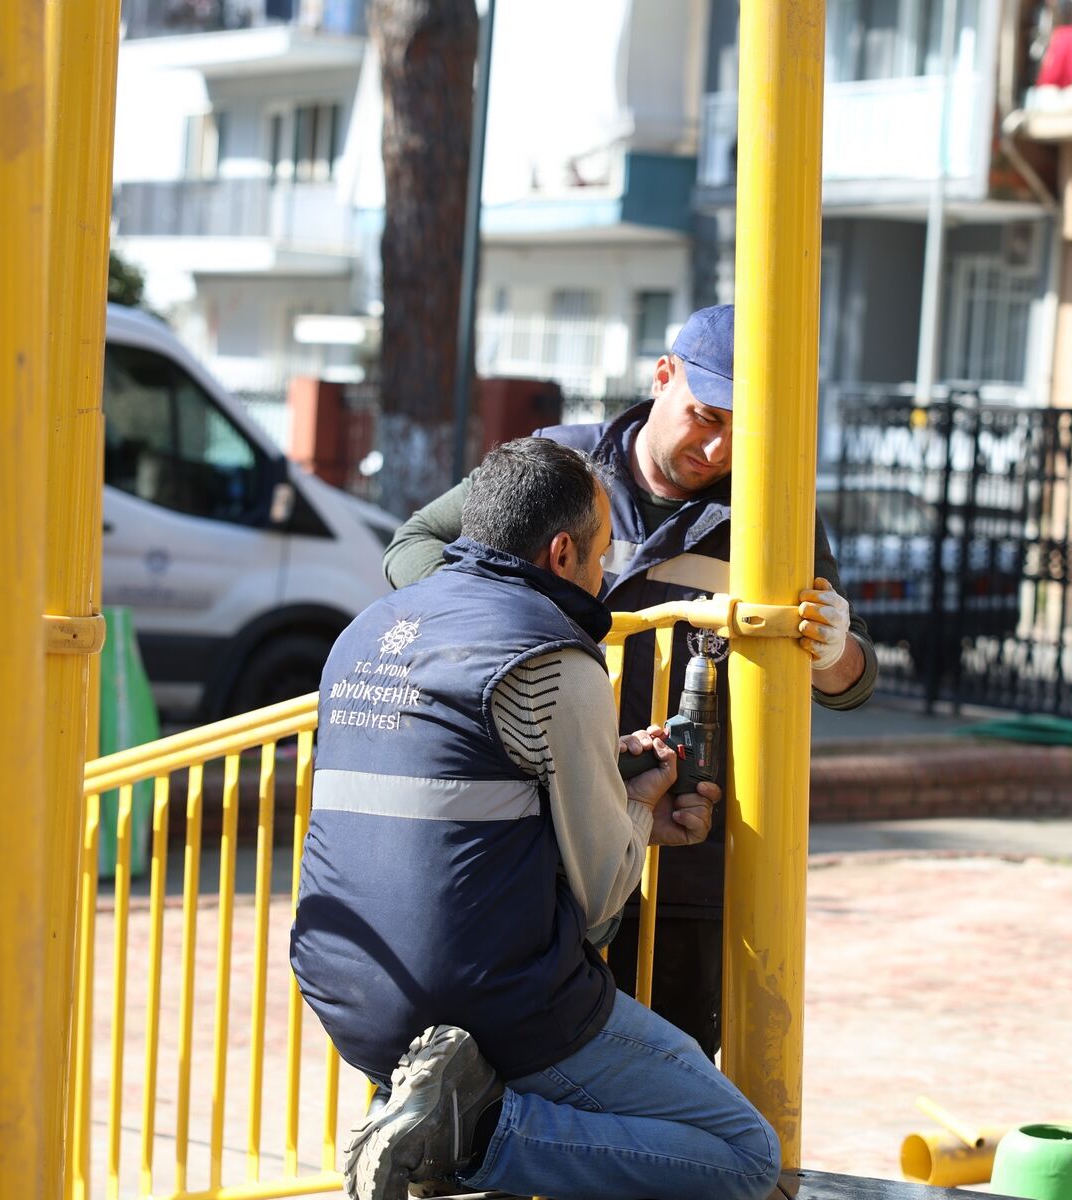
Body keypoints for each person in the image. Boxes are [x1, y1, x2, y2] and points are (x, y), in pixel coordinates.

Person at [291, 438, 781, 1200]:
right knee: (745, 1155)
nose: (602, 578)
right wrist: (643, 807)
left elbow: (458, 788)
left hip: (345, 991)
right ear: (561, 553)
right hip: (492, 1001)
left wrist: (602, 770)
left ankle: (420, 1111)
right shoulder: (551, 655)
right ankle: (474, 1130)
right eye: (599, 559)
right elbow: (601, 892)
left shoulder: (365, 633)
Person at [384, 303, 877, 1058]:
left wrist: (833, 648)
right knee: (521, 1074)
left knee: (664, 1086)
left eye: (740, 431)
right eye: (704, 414)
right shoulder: (556, 467)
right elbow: (414, 546)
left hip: (689, 853)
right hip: (541, 841)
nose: (715, 447)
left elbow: (851, 682)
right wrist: (489, 622)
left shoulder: (776, 514)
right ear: (662, 376)